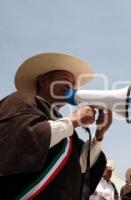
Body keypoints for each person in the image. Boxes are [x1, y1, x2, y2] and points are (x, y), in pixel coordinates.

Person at [0, 52, 112, 199]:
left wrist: (99, 135)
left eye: (73, 84)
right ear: (43, 80)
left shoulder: (65, 126)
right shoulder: (20, 100)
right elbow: (22, 141)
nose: (71, 88)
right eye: (66, 80)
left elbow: (81, 167)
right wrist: (73, 121)